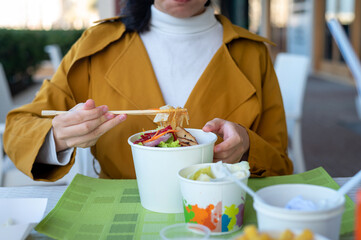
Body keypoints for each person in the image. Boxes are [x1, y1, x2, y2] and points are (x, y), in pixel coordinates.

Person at [3, 0, 293, 181]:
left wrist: (246, 147)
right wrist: (57, 136)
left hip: (217, 213)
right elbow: (17, 130)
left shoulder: (252, 53)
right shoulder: (97, 44)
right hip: (117, 209)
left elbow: (280, 163)